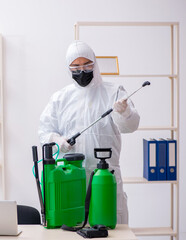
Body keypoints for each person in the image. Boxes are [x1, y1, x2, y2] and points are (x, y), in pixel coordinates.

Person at [38, 41, 140, 224]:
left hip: (105, 176)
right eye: (75, 67)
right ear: (68, 68)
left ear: (95, 63)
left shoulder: (114, 92)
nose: (82, 71)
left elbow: (130, 127)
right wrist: (56, 139)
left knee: (109, 227)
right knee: (72, 227)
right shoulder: (60, 98)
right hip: (71, 176)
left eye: (87, 65)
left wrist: (125, 113)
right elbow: (44, 130)